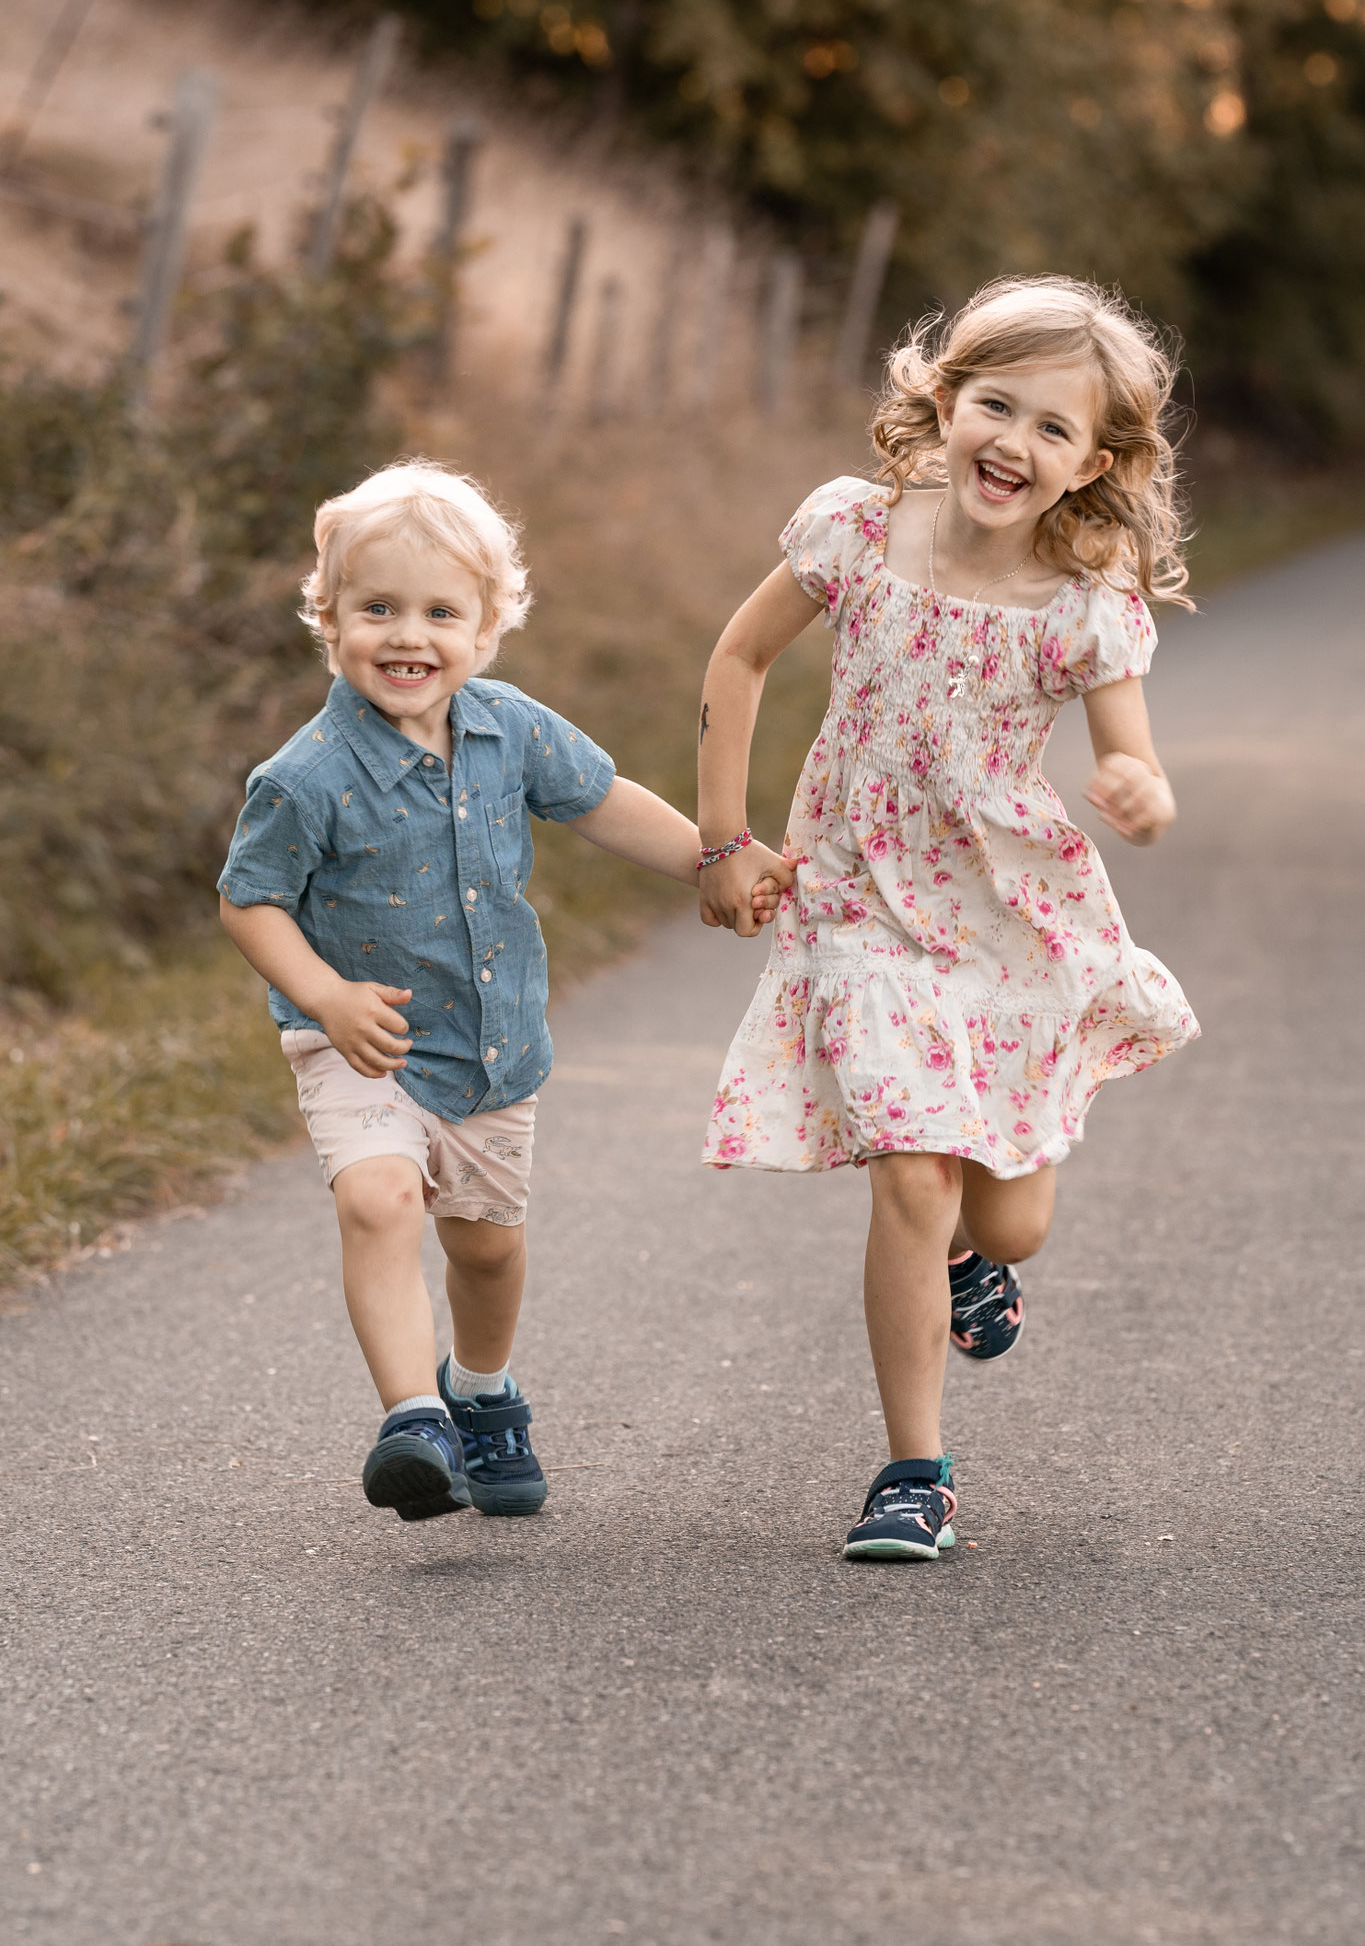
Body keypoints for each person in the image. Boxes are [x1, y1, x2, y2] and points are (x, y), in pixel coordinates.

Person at [695, 275, 1199, 1561]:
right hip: (859, 896)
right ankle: (914, 1469)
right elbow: (740, 659)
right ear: (942, 400)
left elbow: (1127, 751)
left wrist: (1135, 787)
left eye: (1051, 429)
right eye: (994, 405)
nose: (1012, 444)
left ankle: (988, 1260)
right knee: (912, 1169)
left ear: (1096, 461)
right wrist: (727, 839)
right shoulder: (855, 534)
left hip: (1006, 916)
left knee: (1009, 1217)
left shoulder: (1085, 603)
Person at [219, 460, 783, 1525]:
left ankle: (482, 1391)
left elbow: (606, 802)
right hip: (360, 1042)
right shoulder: (304, 775)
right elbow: (249, 902)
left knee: (485, 1243)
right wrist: (325, 995)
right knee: (378, 1200)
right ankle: (413, 1418)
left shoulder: (511, 727)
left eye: (440, 611)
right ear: (328, 616)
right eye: (376, 607)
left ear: (486, 627)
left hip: (490, 1048)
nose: (407, 635)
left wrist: (714, 858)